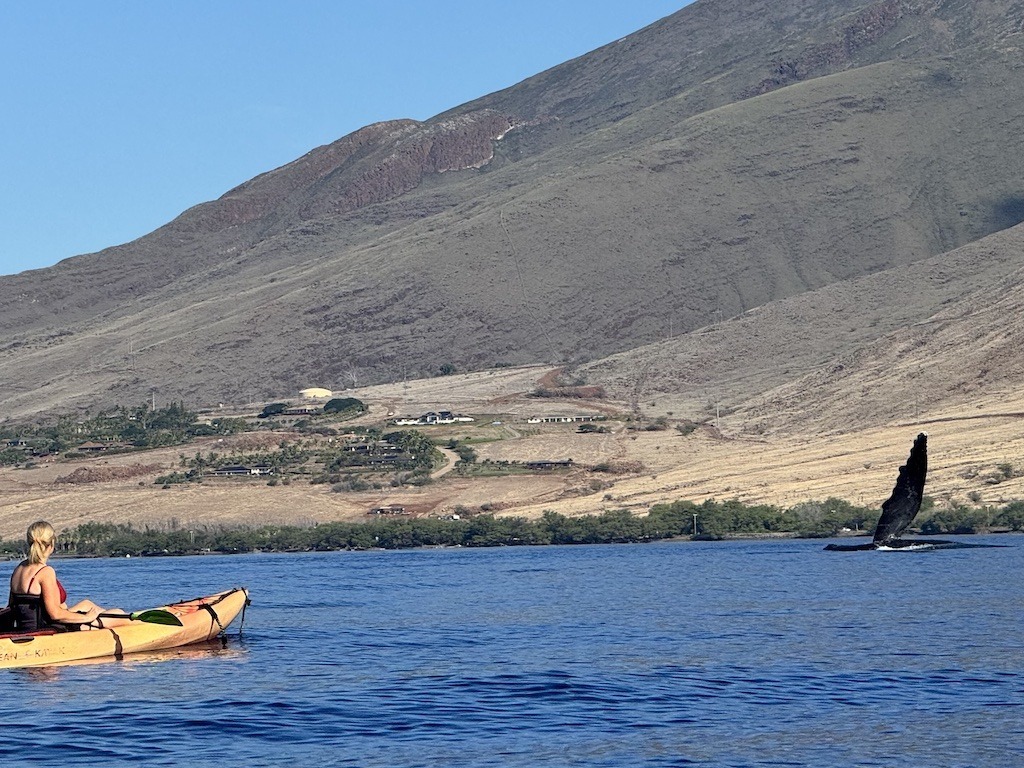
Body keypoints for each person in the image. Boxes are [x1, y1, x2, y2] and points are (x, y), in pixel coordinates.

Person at [7, 520, 130, 632]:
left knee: (87, 604)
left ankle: (104, 622)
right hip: (48, 629)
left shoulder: (19, 569)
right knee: (118, 614)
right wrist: (86, 617)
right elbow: (55, 614)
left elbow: (12, 606)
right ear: (52, 544)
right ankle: (125, 629)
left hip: (30, 626)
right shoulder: (45, 572)